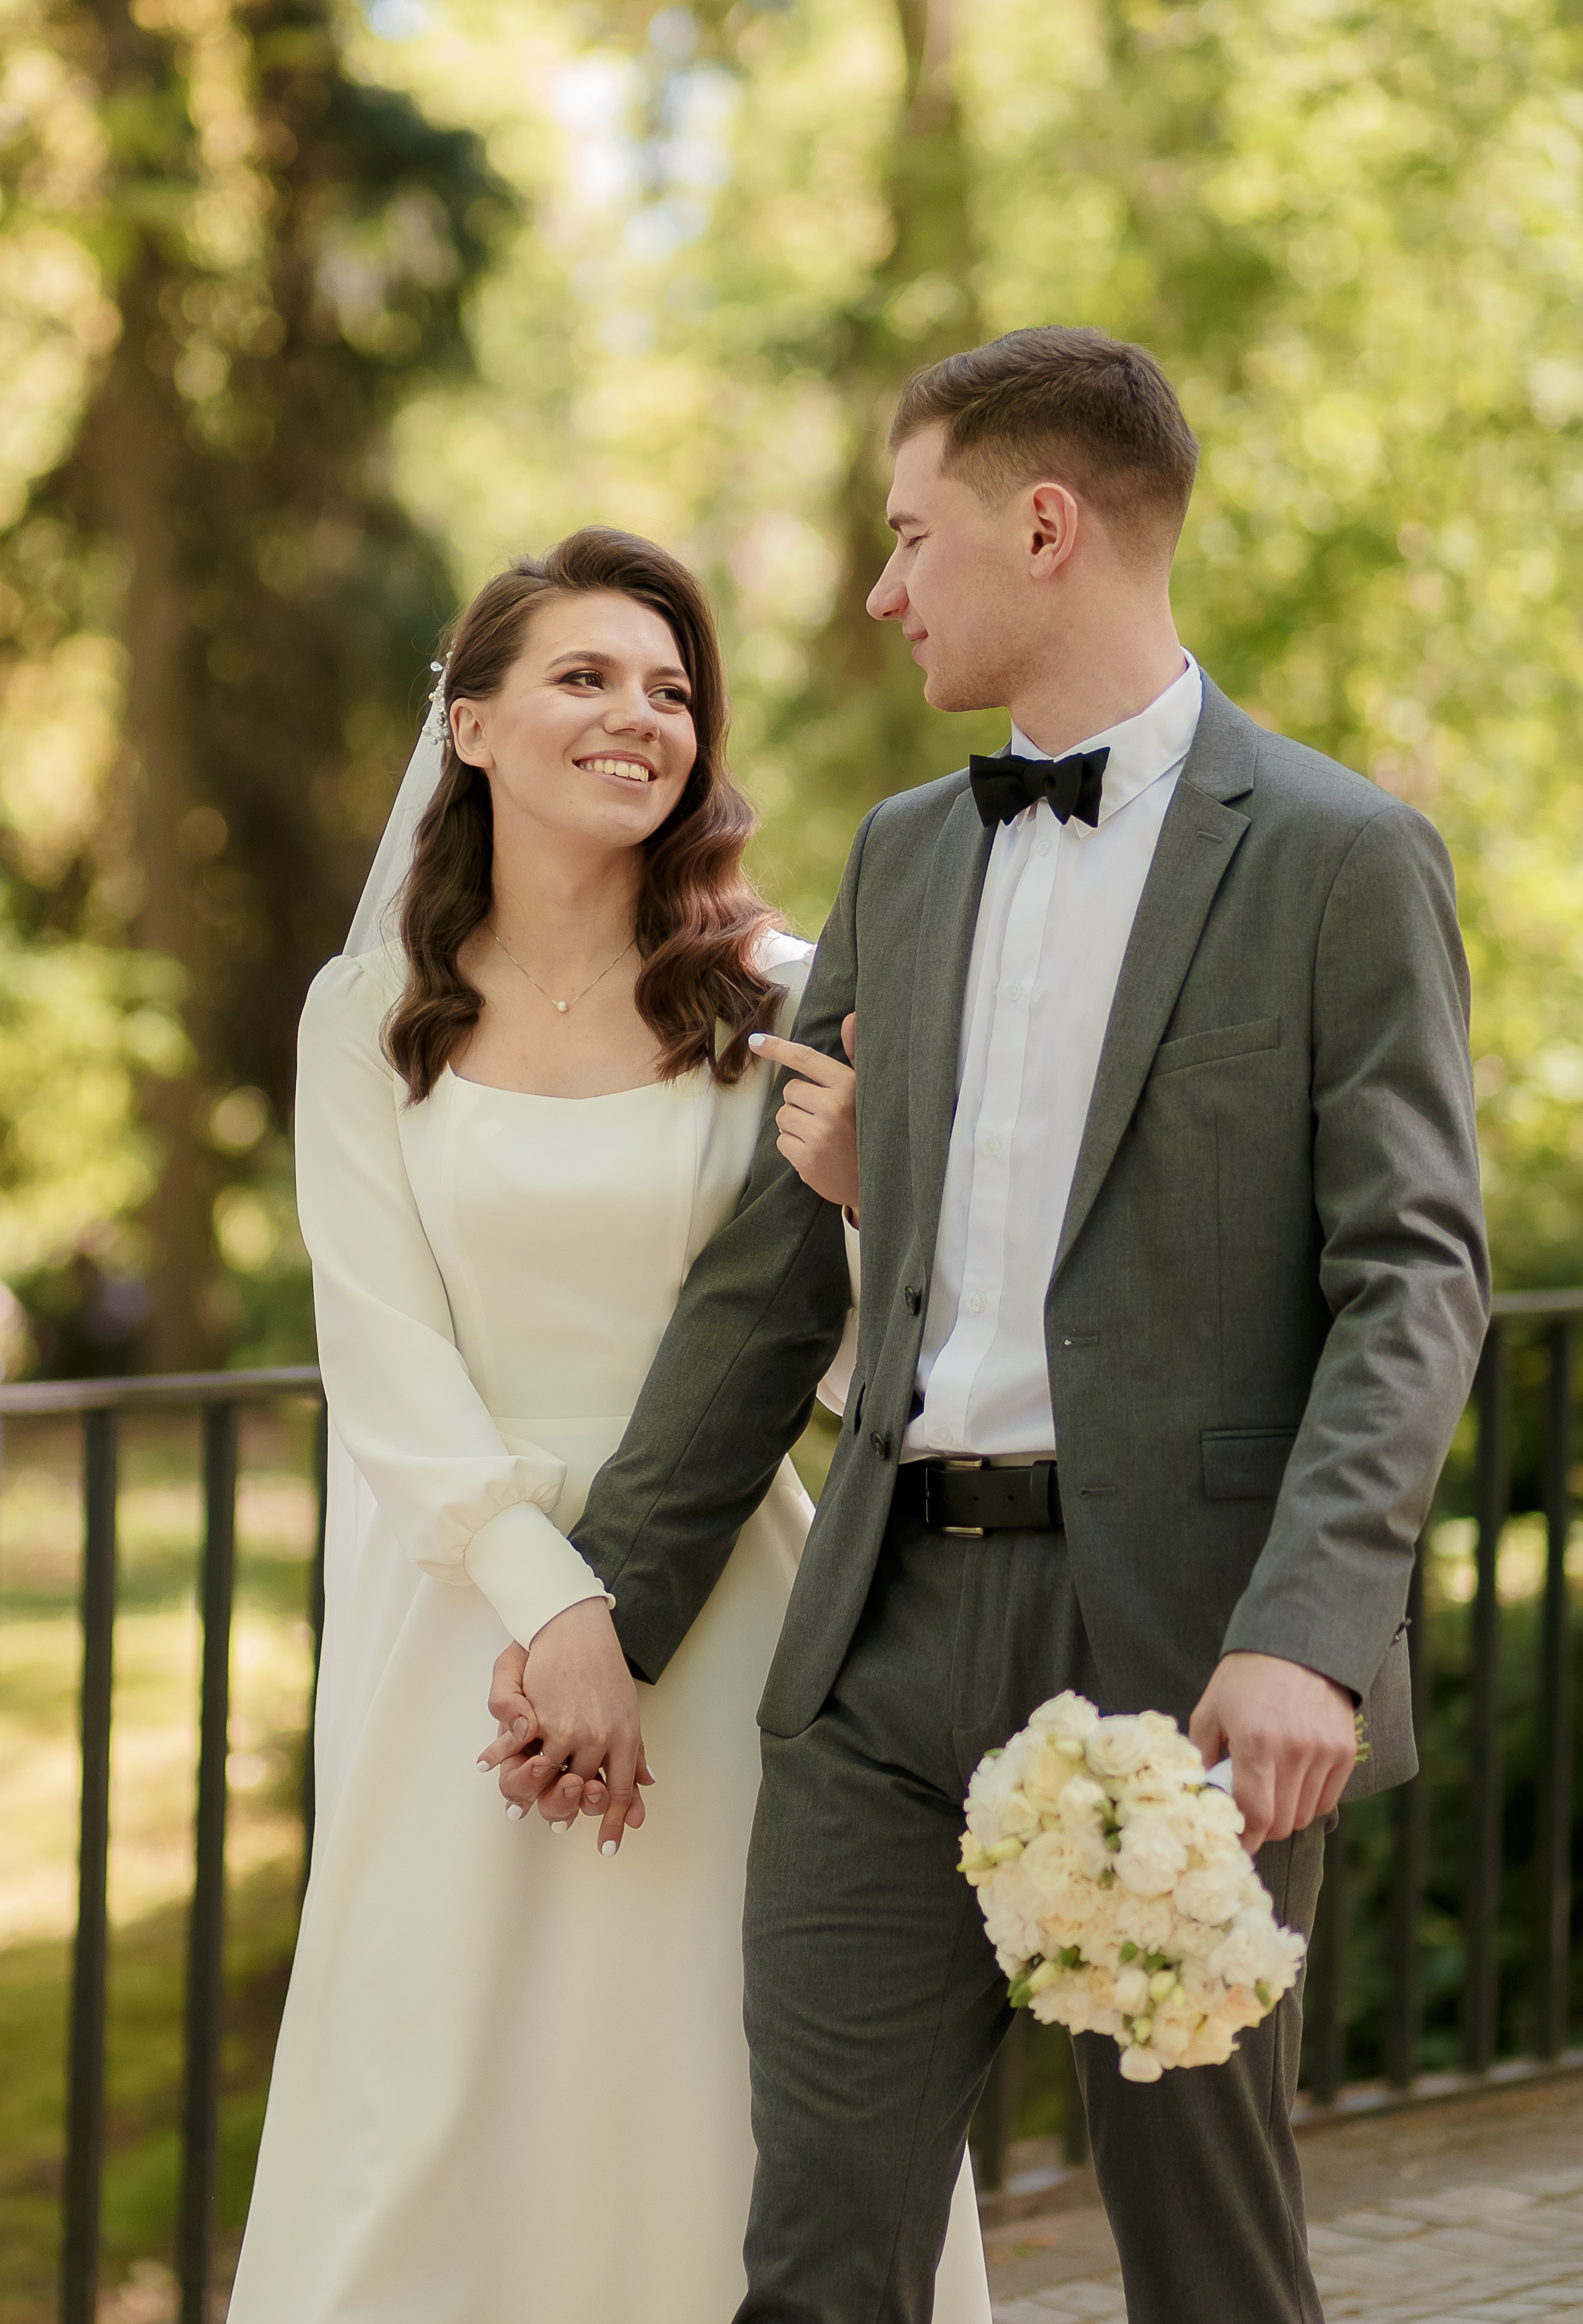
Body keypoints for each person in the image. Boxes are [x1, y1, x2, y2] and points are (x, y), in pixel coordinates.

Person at [489, 332, 1490, 2323]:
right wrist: (607, 1602)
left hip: (1184, 1655)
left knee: (1205, 2253)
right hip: (878, 1647)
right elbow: (776, 1285)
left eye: (910, 537)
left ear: (1046, 529)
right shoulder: (901, 857)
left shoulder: (1337, 858)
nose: (883, 591)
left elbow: (1414, 1271)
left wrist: (1308, 1631)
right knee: (820, 2255)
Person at [227, 527, 991, 2324]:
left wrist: (875, 1196)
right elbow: (387, 1358)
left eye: (670, 689)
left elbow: (873, 1351)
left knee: (727, 2088)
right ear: (472, 726)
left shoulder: (789, 997)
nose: (637, 716)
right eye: (584, 676)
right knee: (420, 2092)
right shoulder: (367, 1018)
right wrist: (557, 1612)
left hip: (728, 1609)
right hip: (461, 1635)